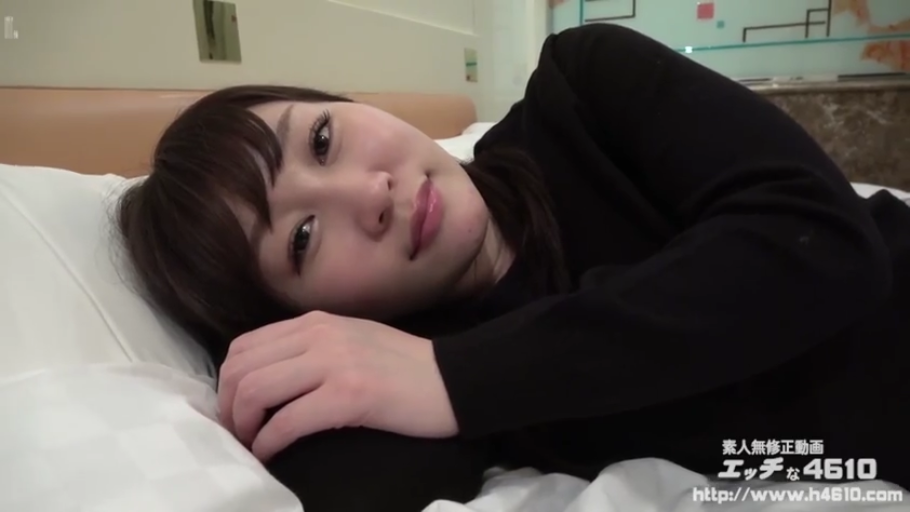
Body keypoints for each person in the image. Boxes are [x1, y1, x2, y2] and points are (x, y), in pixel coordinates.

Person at [117, 23, 910, 511]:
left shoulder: (585, 87)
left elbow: (820, 241)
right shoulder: (397, 371)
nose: (370, 193)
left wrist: (458, 379)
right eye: (301, 240)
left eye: (323, 139)